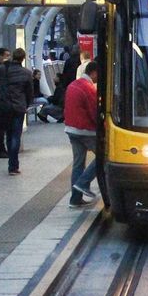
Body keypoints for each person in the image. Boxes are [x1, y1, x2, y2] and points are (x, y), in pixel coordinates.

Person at [64, 60, 100, 207]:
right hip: (85, 130)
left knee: (78, 164)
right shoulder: (89, 88)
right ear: (94, 73)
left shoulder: (73, 85)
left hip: (71, 129)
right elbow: (94, 112)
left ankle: (75, 199)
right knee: (104, 157)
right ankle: (83, 183)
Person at [0, 48, 34, 175]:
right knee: (16, 135)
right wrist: (26, 105)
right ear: (23, 58)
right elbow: (29, 92)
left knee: (9, 135)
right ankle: (13, 165)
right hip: (19, 107)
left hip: (5, 107)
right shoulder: (27, 73)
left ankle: (11, 162)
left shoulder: (3, 69)